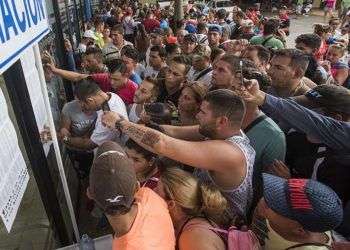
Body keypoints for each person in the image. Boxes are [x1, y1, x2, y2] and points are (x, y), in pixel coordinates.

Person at [102, 89, 255, 219]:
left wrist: (120, 124)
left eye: (203, 112)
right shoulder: (222, 130)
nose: (197, 116)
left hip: (216, 225)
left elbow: (162, 144)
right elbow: (172, 131)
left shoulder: (229, 153)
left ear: (222, 121)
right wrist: (141, 124)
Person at [88, 141, 175, 250]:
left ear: (90, 194)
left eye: (135, 159)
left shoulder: (127, 246)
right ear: (137, 187)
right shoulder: (150, 195)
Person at [253, 174, 343, 250]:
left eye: (276, 206)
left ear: (299, 230)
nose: (264, 199)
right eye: (275, 194)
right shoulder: (267, 211)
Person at [155, 167, 227, 250]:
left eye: (157, 190)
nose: (153, 190)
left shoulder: (192, 237)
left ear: (171, 204)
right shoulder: (190, 226)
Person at [61, 79, 128, 151]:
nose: (84, 108)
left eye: (84, 105)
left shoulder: (107, 118)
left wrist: (65, 138)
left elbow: (88, 144)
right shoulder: (111, 95)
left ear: (90, 100)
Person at [59, 97, 97, 178]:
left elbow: (87, 142)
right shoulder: (69, 108)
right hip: (76, 149)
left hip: (93, 148)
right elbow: (65, 130)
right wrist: (64, 132)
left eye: (85, 102)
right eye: (79, 101)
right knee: (82, 174)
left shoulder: (100, 109)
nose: (81, 105)